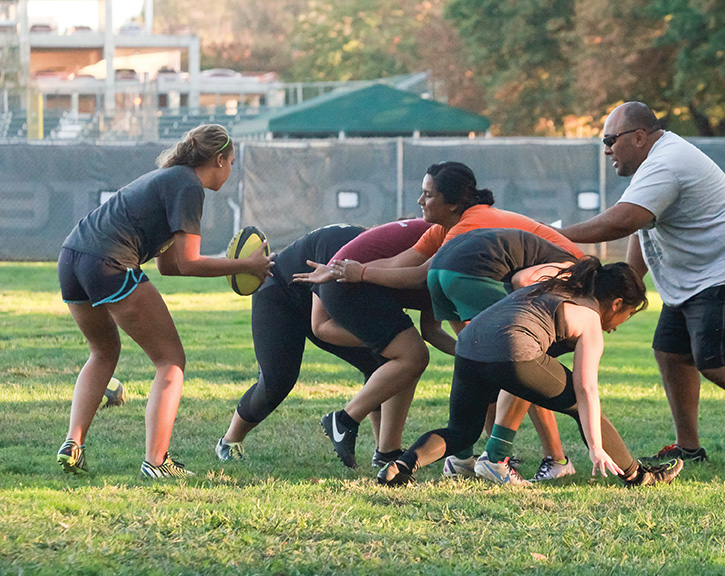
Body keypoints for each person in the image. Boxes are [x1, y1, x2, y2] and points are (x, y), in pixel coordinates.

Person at [560, 101, 725, 473]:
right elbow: (642, 226)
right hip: (699, 277)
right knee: (670, 352)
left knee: (715, 358)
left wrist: (553, 235)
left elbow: (622, 222)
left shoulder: (666, 162)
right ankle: (688, 447)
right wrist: (629, 286)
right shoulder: (652, 163)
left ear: (638, 137)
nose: (606, 150)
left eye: (610, 140)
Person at [298, 162, 585, 482]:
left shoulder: (468, 227)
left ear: (452, 203)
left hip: (572, 284)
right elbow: (399, 265)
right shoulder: (446, 228)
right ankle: (498, 457)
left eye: (427, 194)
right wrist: (342, 270)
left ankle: (523, 456)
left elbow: (420, 277)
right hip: (532, 284)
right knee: (503, 359)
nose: (420, 201)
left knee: (515, 359)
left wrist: (358, 272)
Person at [56, 124, 274, 478]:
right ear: (218, 159)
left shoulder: (171, 178)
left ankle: (73, 443)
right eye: (231, 163)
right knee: (170, 360)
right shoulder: (188, 186)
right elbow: (190, 262)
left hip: (72, 258)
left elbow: (170, 266)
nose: (230, 171)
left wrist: (236, 266)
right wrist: (247, 266)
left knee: (103, 352)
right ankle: (157, 463)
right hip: (108, 262)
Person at [376, 257, 684, 488]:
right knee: (580, 404)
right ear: (616, 304)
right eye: (626, 316)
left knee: (461, 432)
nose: (617, 326)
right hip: (513, 352)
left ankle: (400, 467)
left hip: (469, 345)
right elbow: (587, 390)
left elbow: (522, 279)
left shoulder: (551, 285)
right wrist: (597, 448)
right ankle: (638, 475)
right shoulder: (590, 320)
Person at [215, 224, 392, 464]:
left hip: (316, 301)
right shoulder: (342, 249)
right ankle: (229, 441)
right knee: (277, 381)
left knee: (384, 364)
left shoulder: (385, 255)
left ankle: (385, 452)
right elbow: (320, 325)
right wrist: (389, 342)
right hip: (280, 295)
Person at [424, 227, 581, 483]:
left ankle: (461, 457)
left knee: (481, 359)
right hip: (473, 271)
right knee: (522, 359)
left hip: (439, 270)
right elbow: (522, 281)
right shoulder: (573, 273)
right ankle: (512, 458)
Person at [297, 218, 457, 469]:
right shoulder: (452, 241)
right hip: (350, 285)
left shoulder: (454, 242)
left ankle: (387, 451)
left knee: (408, 360)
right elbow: (414, 273)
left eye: (428, 195)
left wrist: (466, 354)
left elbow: (432, 330)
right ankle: (344, 420)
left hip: (354, 284)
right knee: (413, 356)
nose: (421, 202)